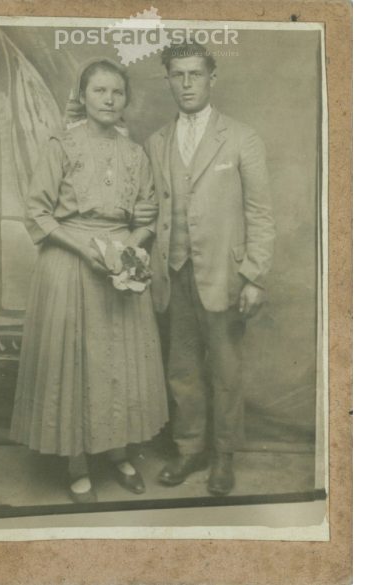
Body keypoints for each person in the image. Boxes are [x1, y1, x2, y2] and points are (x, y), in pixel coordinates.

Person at [10, 58, 168, 504]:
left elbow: (146, 214)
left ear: (126, 101)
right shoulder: (61, 144)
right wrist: (89, 250)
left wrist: (131, 251)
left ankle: (117, 453)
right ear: (83, 96)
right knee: (77, 363)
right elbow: (37, 211)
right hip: (70, 264)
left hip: (121, 265)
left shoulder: (135, 154)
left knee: (118, 364)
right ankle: (77, 462)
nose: (109, 100)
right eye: (99, 91)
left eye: (117, 93)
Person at [143, 42, 275, 496]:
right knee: (181, 371)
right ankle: (189, 450)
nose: (186, 84)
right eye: (177, 75)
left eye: (195, 74)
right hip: (173, 274)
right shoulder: (157, 142)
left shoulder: (241, 138)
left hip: (224, 276)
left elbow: (260, 213)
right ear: (168, 81)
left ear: (211, 79)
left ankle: (223, 457)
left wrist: (255, 275)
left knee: (225, 372)